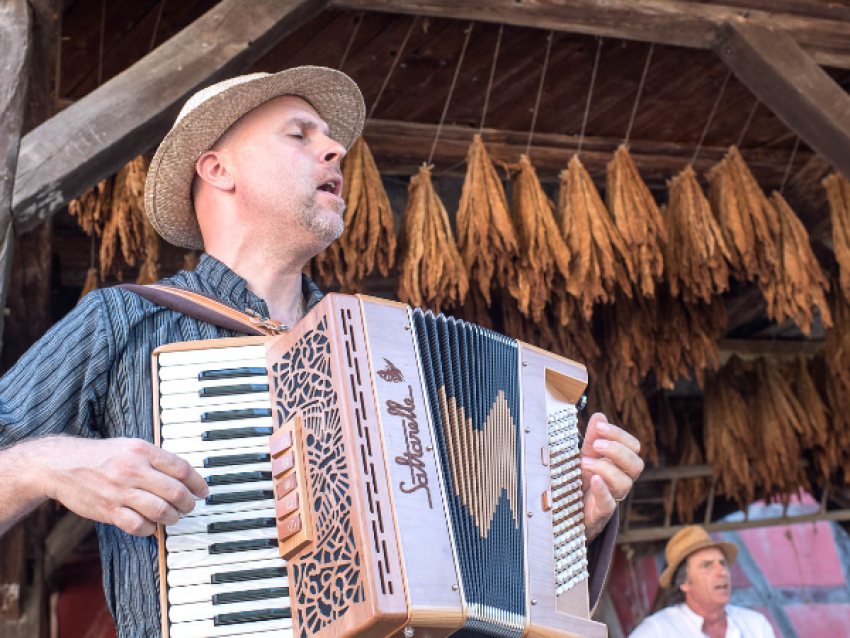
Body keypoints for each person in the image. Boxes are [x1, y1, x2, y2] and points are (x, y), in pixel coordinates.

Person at [0, 66, 644, 635]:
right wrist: (47, 463)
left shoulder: (387, 356)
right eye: (299, 134)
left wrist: (563, 532)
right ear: (217, 169)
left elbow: (465, 602)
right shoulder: (126, 321)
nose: (336, 148)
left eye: (328, 138)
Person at [629, 526, 776, 638]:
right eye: (707, 565)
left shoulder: (756, 625)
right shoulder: (657, 631)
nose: (722, 572)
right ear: (684, 582)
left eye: (723, 563)